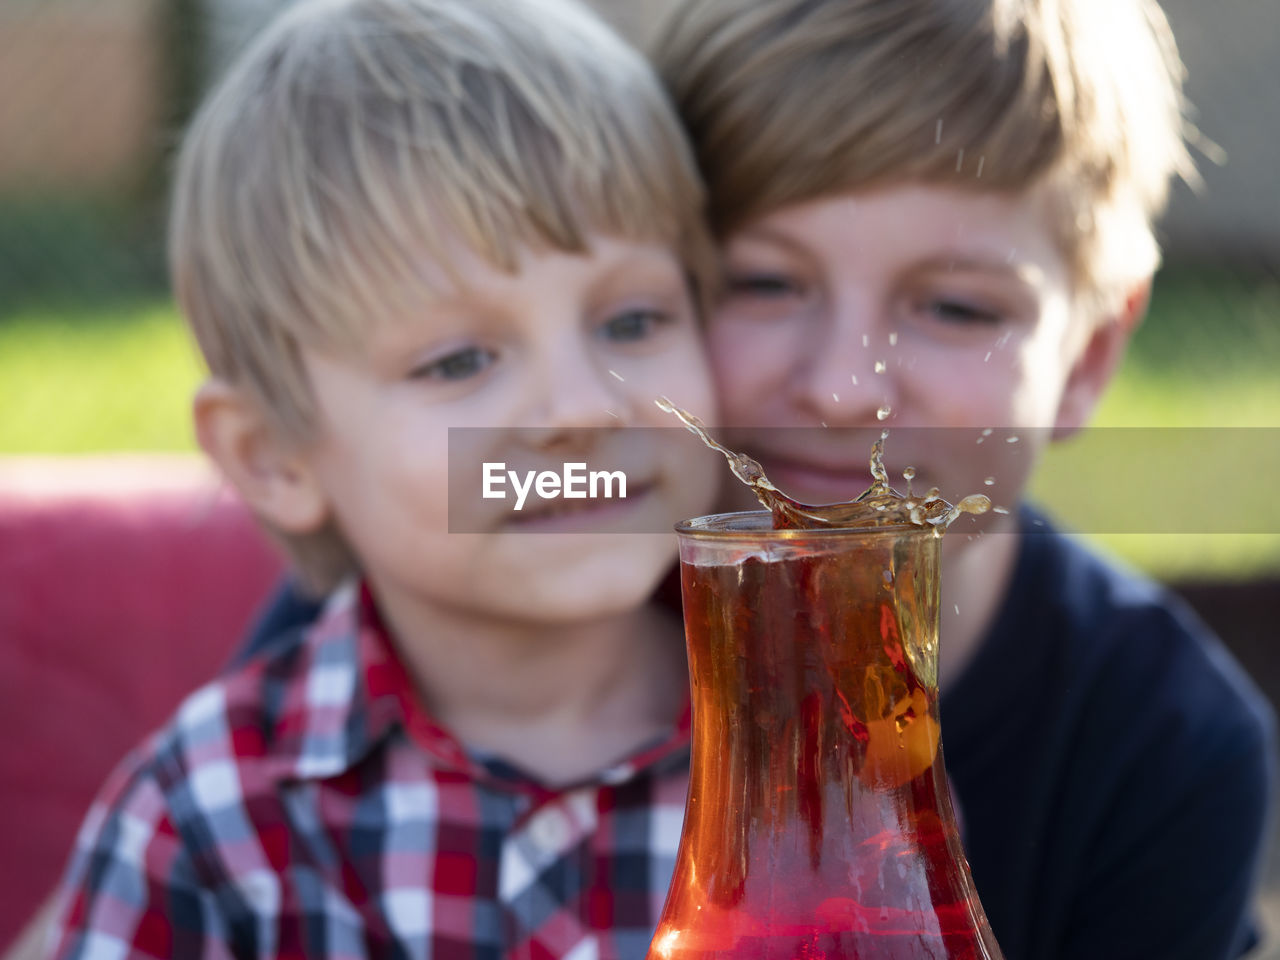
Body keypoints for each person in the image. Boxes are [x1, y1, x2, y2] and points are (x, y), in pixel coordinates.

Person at [240, 0, 1275, 958]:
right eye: (762, 283)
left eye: (957, 308)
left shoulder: (1157, 749)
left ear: (1088, 358)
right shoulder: (484, 594)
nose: (836, 390)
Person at [40, 0, 722, 956]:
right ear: (272, 455)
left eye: (632, 323)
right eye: (457, 362)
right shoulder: (211, 824)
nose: (581, 408)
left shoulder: (823, 758)